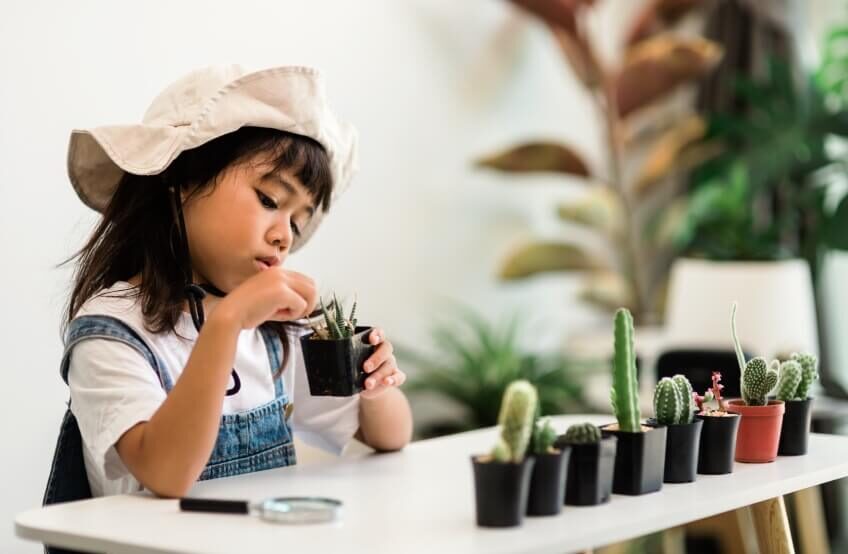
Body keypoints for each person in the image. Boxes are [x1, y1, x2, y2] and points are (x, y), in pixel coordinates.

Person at [43, 65, 413, 505]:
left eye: (298, 220)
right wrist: (229, 321)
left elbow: (391, 436)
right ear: (182, 181)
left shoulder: (271, 335)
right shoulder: (111, 330)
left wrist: (372, 382)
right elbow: (166, 473)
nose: (285, 235)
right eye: (269, 200)